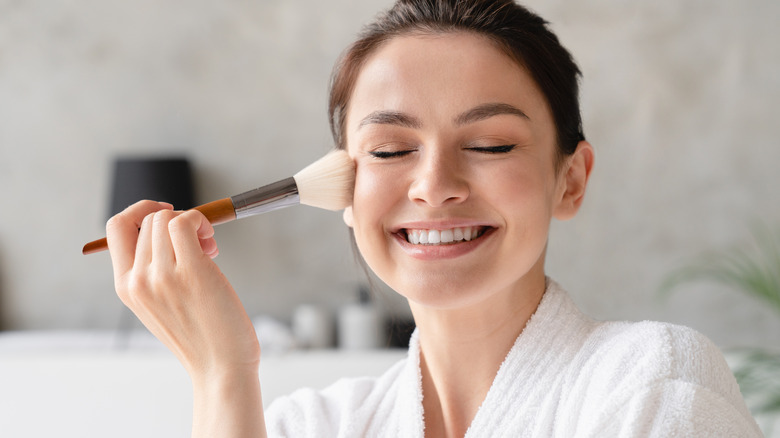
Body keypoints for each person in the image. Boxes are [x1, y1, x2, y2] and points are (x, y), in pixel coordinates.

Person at [105, 0, 762, 436]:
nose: (434, 186)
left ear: (571, 179)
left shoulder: (654, 381)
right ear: (345, 190)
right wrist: (221, 376)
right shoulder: (307, 426)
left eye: (490, 145)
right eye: (390, 150)